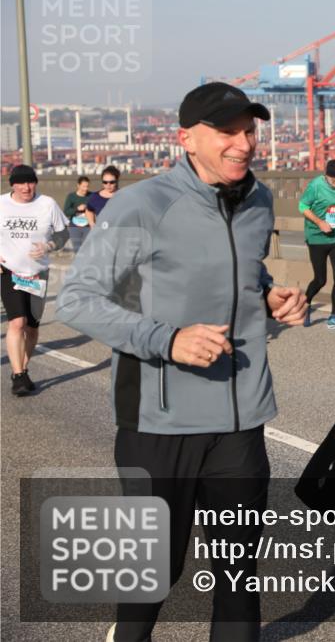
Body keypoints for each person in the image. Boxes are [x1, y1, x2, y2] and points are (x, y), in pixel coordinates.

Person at [56, 82, 307, 642]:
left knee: (238, 576)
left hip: (240, 423)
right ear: (187, 139)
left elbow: (245, 271)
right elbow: (77, 300)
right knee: (152, 577)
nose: (244, 144)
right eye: (227, 132)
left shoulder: (259, 201)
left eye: (249, 131)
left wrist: (269, 296)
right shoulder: (142, 205)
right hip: (159, 424)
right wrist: (166, 340)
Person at [1, 164, 69, 396]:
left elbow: (63, 233)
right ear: (12, 185)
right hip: (8, 271)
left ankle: (23, 369)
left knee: (31, 328)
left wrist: (49, 246)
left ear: (35, 183)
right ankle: (18, 375)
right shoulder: (1, 204)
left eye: (30, 182)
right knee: (17, 322)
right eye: (20, 183)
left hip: (38, 274)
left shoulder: (47, 204)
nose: (26, 187)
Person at [299, 158, 335, 328]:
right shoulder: (315, 186)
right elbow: (302, 206)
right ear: (326, 176)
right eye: (334, 179)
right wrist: (320, 222)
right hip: (317, 237)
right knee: (320, 279)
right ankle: (305, 305)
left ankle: (334, 316)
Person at [62, 175, 91, 252]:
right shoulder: (71, 196)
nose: (86, 189)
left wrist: (88, 208)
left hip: (88, 227)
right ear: (78, 185)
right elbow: (66, 212)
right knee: (77, 250)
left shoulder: (91, 196)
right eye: (84, 186)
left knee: (87, 249)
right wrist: (77, 209)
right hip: (74, 227)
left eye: (87, 186)